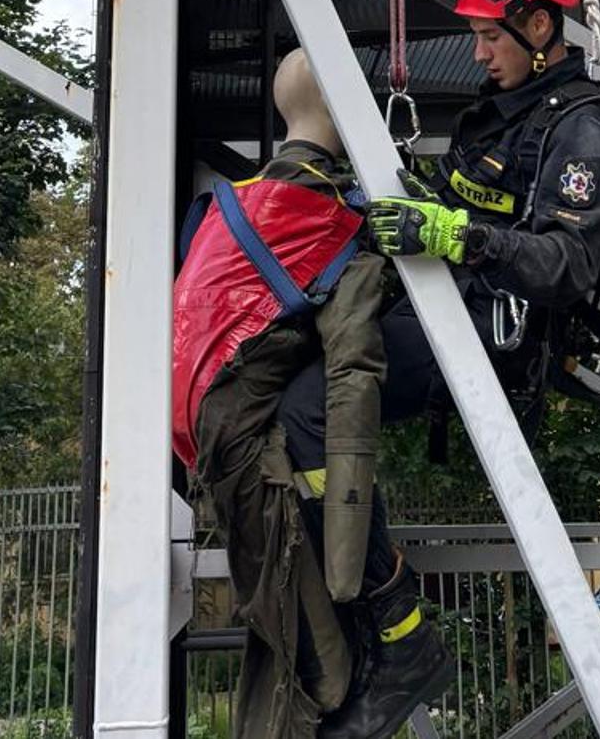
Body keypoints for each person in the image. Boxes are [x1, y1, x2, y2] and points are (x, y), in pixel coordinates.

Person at [275, 0, 600, 736]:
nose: (476, 52)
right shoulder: (503, 115)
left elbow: (568, 264)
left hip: (492, 336)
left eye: (489, 34)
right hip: (448, 310)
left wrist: (456, 237)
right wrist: (412, 201)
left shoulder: (584, 130)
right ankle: (360, 623)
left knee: (306, 412)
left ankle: (399, 634)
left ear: (540, 27)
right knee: (283, 360)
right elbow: (467, 204)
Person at [174, 49, 441, 739]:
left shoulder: (225, 209)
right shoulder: (328, 225)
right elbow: (351, 382)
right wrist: (356, 573)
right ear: (351, 111)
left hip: (205, 462)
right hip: (253, 466)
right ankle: (404, 637)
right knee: (320, 669)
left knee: (284, 644)